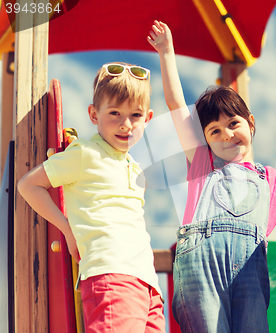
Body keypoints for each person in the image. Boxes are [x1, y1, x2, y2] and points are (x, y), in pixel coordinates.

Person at [147, 20, 276, 333]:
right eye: (214, 131)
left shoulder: (272, 180)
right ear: (204, 138)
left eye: (233, 124)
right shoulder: (203, 162)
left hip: (249, 273)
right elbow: (176, 104)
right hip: (201, 269)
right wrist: (166, 52)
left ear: (250, 123)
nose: (226, 135)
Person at [18, 62, 166, 333]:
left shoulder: (136, 170)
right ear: (94, 114)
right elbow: (29, 185)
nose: (126, 124)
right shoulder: (85, 153)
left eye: (135, 115)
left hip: (148, 285)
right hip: (111, 273)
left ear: (148, 118)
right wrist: (66, 227)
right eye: (114, 113)